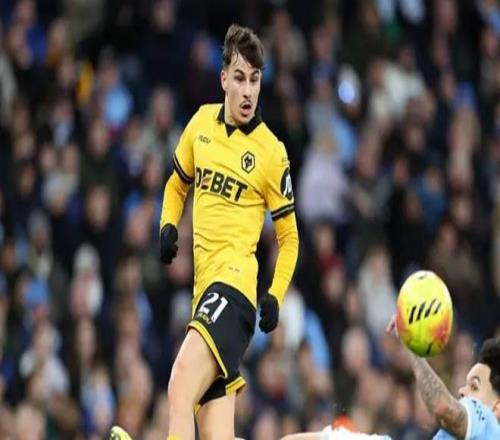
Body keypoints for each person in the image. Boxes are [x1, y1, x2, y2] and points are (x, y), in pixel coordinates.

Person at [112, 23, 299, 440]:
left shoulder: (272, 152)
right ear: (223, 79)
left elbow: (290, 239)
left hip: (234, 290)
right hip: (205, 292)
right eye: (240, 78)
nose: (248, 91)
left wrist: (275, 294)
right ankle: (332, 436)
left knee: (180, 383)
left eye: (255, 80)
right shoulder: (200, 124)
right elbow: (176, 185)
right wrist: (167, 224)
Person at [282, 325, 500, 440]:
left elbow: (444, 408)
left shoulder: (489, 426)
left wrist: (412, 348)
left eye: (474, 386)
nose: (461, 391)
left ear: (497, 407)